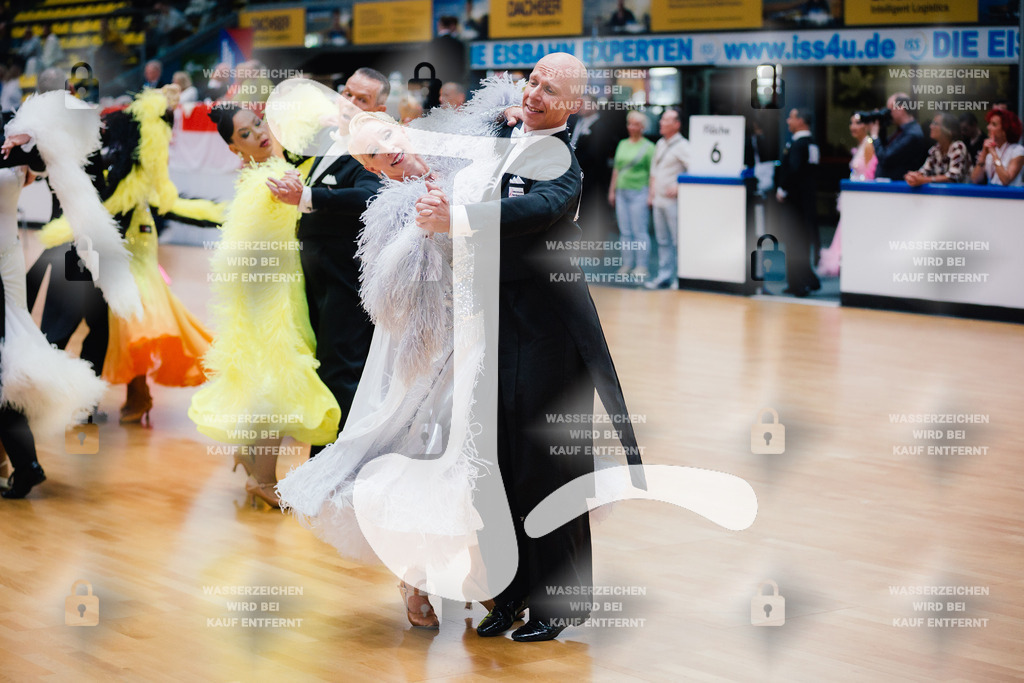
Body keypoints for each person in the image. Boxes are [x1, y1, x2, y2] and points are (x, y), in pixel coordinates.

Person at [276, 76, 523, 629]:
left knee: (473, 458)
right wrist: (426, 235)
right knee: (418, 452)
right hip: (422, 346)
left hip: (478, 334)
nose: (385, 151)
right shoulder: (386, 207)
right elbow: (388, 297)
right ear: (370, 167)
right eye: (371, 153)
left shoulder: (457, 159)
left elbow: (498, 123)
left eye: (386, 137)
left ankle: (481, 580)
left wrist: (511, 109)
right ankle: (416, 582)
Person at [415, 52, 646, 643]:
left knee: (546, 465)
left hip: (546, 329)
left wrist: (460, 218)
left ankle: (559, 603)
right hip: (490, 322)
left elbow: (534, 209)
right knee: (494, 463)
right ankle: (509, 590)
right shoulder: (499, 134)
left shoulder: (565, 157)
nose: (537, 92)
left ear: (573, 105)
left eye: (552, 89)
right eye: (534, 81)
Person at [32, 86, 220, 424]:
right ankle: (40, 401)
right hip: (76, 252)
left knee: (107, 332)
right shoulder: (56, 146)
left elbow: (146, 151)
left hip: (120, 251)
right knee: (59, 331)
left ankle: (89, 404)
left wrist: (159, 102)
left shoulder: (119, 133)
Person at [189, 104, 340, 508]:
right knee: (275, 378)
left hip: (283, 287)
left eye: (256, 124)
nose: (257, 133)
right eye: (244, 134)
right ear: (234, 148)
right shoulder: (268, 179)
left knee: (264, 376)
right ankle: (263, 480)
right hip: (272, 296)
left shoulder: (276, 167)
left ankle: (251, 455)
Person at [0, 91, 138, 498]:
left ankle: (24, 462)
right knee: (14, 352)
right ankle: (19, 461)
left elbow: (49, 155)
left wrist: (31, 138)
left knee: (17, 349)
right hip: (18, 257)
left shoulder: (13, 127)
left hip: (11, 261)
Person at [265, 68, 386, 448]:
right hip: (315, 275)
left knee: (341, 369)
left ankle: (333, 465)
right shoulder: (328, 139)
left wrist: (308, 198)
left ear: (379, 109)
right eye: (347, 93)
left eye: (361, 99)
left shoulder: (377, 145)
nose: (349, 103)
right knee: (320, 364)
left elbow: (369, 196)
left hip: (345, 278)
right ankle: (320, 458)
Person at [818, 112, 876, 278]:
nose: (853, 127)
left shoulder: (869, 145)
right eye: (851, 123)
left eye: (857, 123)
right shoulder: (862, 145)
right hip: (852, 197)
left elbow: (870, 174)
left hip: (860, 199)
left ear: (866, 126)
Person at [775, 107, 820, 297]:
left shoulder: (799, 144)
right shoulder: (811, 143)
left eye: (791, 118)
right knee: (800, 241)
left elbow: (793, 170)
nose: (788, 121)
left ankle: (799, 283)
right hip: (806, 200)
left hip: (795, 201)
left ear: (801, 121)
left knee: (794, 241)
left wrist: (783, 188)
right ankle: (802, 279)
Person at [609, 110, 655, 283]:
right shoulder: (622, 143)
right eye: (630, 123)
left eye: (635, 124)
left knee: (640, 231)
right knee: (625, 231)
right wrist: (612, 191)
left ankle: (642, 266)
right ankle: (627, 264)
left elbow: (653, 173)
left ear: (642, 127)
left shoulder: (649, 147)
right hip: (622, 192)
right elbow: (616, 169)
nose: (631, 127)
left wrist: (651, 194)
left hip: (639, 192)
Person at [646, 107, 689, 289]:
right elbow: (654, 171)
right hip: (659, 200)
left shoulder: (684, 146)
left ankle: (680, 278)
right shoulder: (660, 144)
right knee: (662, 240)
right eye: (662, 119)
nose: (661, 123)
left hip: (674, 202)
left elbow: (694, 169)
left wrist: (679, 186)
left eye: (666, 120)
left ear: (676, 124)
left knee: (678, 240)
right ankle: (664, 276)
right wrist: (651, 193)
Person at [870, 93, 928, 181]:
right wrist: (881, 128)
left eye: (890, 110)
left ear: (900, 108)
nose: (888, 114)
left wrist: (874, 136)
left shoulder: (912, 134)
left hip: (898, 189)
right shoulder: (901, 131)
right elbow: (884, 148)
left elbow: (885, 158)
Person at [905, 113, 972, 187]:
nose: (930, 126)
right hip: (943, 195)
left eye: (935, 124)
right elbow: (924, 171)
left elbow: (953, 177)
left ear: (948, 129)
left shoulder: (958, 146)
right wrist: (913, 176)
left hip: (963, 195)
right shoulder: (935, 150)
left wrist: (924, 180)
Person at [969, 107, 1024, 187]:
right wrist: (983, 155)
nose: (988, 127)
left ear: (1005, 130)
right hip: (992, 196)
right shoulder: (989, 150)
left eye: (993, 124)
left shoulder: (1018, 150)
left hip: (1012, 197)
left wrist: (994, 154)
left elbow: (1006, 180)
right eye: (989, 123)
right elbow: (975, 180)